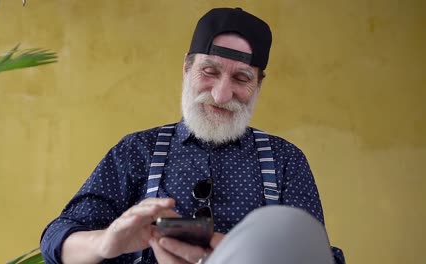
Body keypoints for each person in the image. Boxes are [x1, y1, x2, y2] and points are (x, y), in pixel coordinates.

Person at [40, 7, 345, 264]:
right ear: (187, 67)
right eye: (210, 71)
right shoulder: (136, 150)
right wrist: (106, 241)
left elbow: (317, 256)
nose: (222, 94)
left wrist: (235, 252)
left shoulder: (285, 160)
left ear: (259, 85)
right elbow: (57, 239)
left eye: (242, 78)